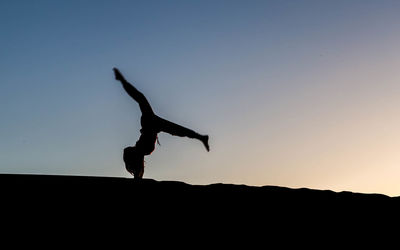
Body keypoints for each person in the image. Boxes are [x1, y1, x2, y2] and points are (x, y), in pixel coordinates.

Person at [113, 68, 209, 179]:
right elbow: (139, 171)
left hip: (150, 123)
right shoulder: (139, 154)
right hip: (152, 124)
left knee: (141, 99)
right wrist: (137, 176)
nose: (130, 148)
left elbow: (137, 168)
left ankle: (122, 81)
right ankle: (202, 138)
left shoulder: (140, 151)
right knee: (179, 130)